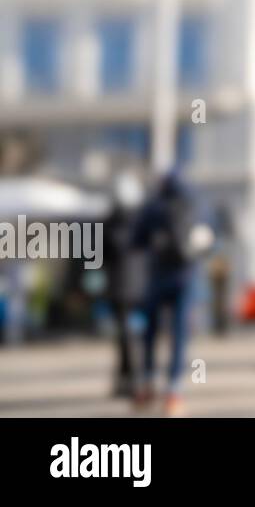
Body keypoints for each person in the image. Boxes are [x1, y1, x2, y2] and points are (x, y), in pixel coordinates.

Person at [131, 166, 212, 416]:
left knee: (150, 333)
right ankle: (174, 391)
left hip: (158, 278)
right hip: (186, 278)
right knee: (179, 334)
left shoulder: (153, 207)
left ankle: (147, 382)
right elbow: (210, 241)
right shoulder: (196, 206)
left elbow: (136, 241)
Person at [102, 170, 147, 398]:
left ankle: (131, 380)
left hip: (123, 287)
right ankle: (128, 379)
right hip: (136, 285)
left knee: (126, 336)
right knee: (129, 336)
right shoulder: (141, 219)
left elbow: (101, 254)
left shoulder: (111, 222)